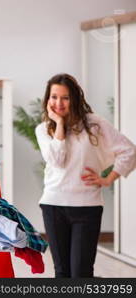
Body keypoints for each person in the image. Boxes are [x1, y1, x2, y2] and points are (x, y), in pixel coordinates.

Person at [35, 73, 136, 278]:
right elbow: (57, 160)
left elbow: (128, 150)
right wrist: (59, 124)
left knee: (81, 273)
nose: (59, 103)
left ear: (74, 98)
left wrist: (108, 178)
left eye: (65, 97)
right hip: (54, 205)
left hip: (87, 207)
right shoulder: (43, 129)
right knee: (62, 272)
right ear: (48, 100)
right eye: (54, 97)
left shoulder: (94, 124)